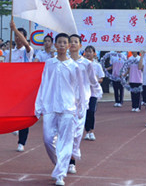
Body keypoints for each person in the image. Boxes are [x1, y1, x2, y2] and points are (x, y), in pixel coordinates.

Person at [35, 33, 86, 186]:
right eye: (60, 43)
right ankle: (59, 165)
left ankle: (60, 174)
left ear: (69, 46)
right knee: (47, 140)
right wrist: (39, 105)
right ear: (55, 45)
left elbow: (79, 90)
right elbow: (43, 84)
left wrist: (80, 109)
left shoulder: (74, 66)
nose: (62, 45)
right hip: (50, 106)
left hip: (68, 108)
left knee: (66, 141)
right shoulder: (49, 63)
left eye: (65, 42)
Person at [68, 35, 100, 175]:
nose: (73, 44)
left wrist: (97, 93)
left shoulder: (87, 64)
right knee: (65, 133)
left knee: (76, 134)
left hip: (81, 103)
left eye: (76, 42)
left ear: (80, 45)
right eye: (71, 42)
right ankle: (66, 159)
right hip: (66, 102)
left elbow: (93, 80)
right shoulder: (64, 62)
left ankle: (72, 160)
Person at [5, 21, 34, 152]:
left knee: (24, 114)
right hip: (12, 86)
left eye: (20, 36)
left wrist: (15, 29)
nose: (17, 38)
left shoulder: (28, 51)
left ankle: (22, 142)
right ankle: (14, 126)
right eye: (16, 36)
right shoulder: (9, 53)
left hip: (24, 87)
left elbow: (26, 45)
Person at [83, 46, 104, 140]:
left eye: (90, 52)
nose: (88, 54)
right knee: (85, 112)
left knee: (91, 111)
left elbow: (101, 78)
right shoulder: (82, 64)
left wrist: (94, 80)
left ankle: (91, 131)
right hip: (83, 91)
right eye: (86, 52)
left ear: (94, 53)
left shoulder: (97, 65)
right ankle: (86, 131)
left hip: (93, 92)